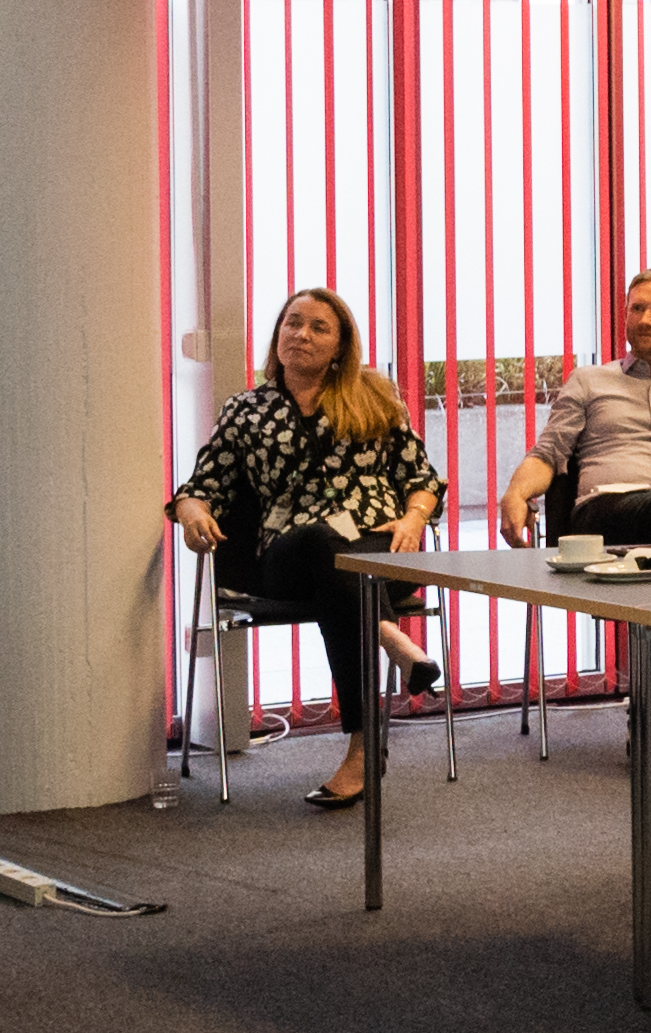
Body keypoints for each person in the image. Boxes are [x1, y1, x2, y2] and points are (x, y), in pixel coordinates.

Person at [169, 286, 451, 812]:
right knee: (326, 544)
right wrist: (192, 512)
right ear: (277, 334)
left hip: (383, 546)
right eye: (292, 323)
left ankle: (364, 748)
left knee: (349, 572)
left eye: (318, 327)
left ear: (341, 346)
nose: (300, 334)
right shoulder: (246, 410)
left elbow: (423, 477)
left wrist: (414, 518)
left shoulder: (375, 397)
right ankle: (386, 635)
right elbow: (201, 486)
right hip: (289, 554)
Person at [496, 266, 651, 546]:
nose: (645, 320)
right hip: (603, 512)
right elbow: (548, 453)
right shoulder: (588, 380)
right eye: (636, 308)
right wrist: (516, 493)